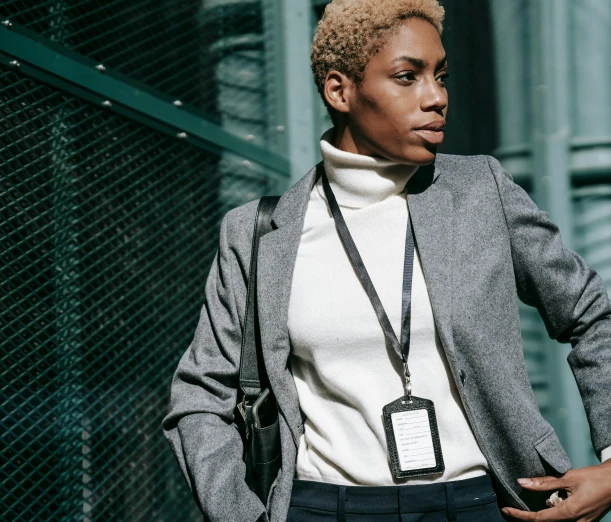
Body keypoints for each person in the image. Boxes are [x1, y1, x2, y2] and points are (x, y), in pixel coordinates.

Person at [162, 1, 611, 521]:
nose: (436, 97)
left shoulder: (481, 193)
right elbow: (201, 393)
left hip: (486, 504)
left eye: (441, 76)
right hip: (324, 507)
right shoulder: (259, 233)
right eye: (407, 77)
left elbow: (593, 314)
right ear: (340, 90)